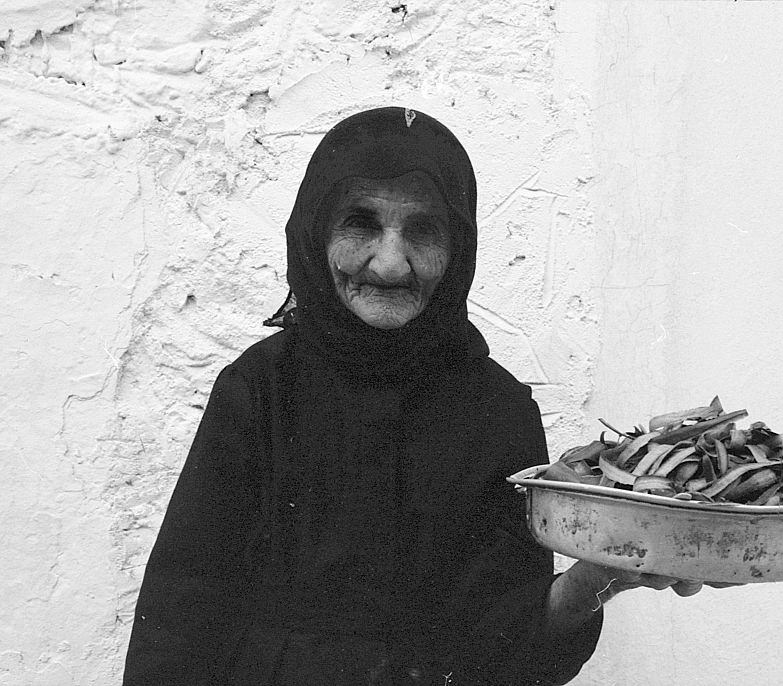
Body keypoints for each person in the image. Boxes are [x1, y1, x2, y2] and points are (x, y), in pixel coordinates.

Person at [122, 107, 708, 686]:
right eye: (360, 223)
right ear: (315, 235)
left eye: (423, 229)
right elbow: (180, 618)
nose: (390, 262)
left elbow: (506, 653)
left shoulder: (498, 411)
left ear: (459, 251)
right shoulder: (261, 391)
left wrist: (598, 579)